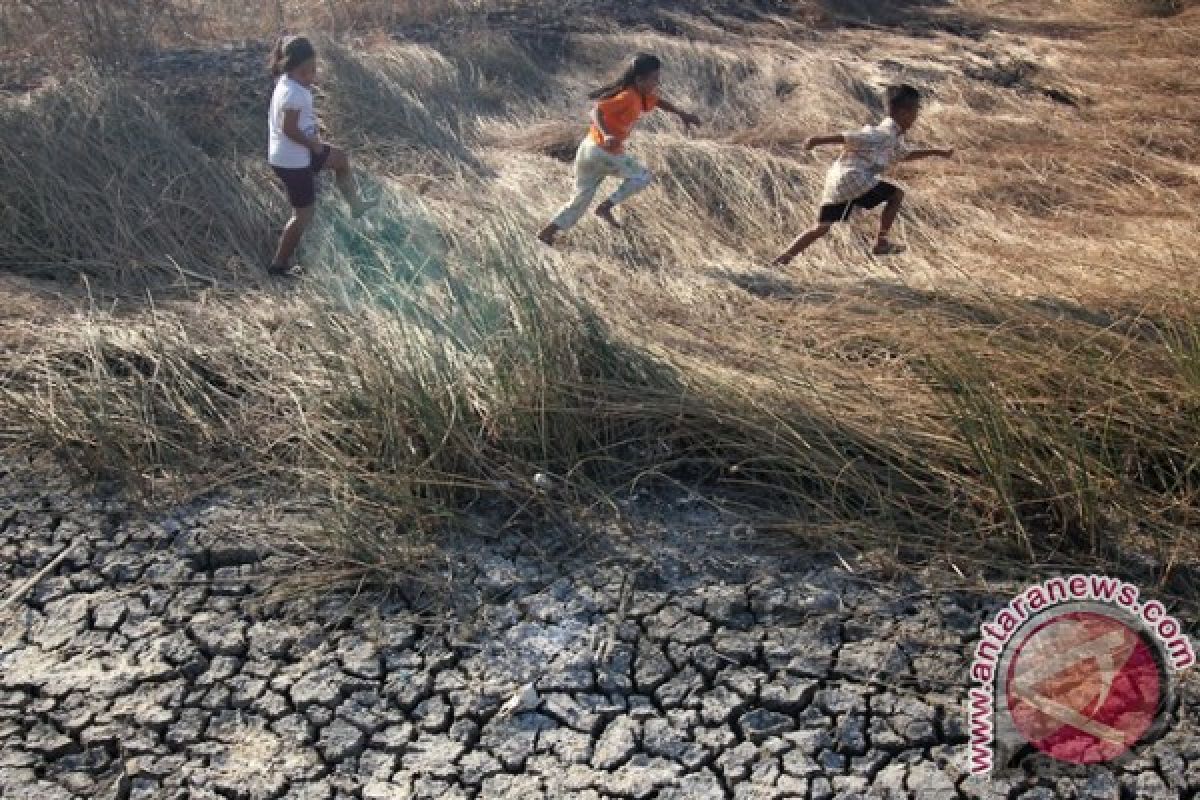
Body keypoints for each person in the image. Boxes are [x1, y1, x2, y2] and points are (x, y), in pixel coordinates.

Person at [772, 84, 954, 265]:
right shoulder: (884, 134)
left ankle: (781, 260)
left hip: (837, 182)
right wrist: (817, 140)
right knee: (896, 195)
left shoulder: (893, 137)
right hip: (853, 178)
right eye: (915, 112)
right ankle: (881, 242)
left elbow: (904, 155)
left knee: (820, 228)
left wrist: (937, 152)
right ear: (903, 113)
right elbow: (853, 137)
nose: (915, 118)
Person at [537, 53, 701, 246]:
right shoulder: (628, 97)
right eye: (654, 79)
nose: (657, 82)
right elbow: (596, 111)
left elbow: (658, 102)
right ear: (639, 80)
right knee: (642, 177)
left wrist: (681, 113)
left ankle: (547, 234)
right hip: (603, 151)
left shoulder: (640, 95)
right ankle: (605, 207)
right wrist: (606, 134)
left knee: (579, 201)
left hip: (588, 149)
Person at [266, 35, 375, 277]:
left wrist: (313, 137)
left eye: (313, 70)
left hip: (296, 152)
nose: (310, 76)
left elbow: (296, 124)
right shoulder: (294, 93)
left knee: (340, 160)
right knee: (303, 215)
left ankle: (356, 206)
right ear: (290, 69)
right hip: (292, 160)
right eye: (304, 72)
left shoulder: (285, 82)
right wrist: (312, 144)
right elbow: (289, 129)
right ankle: (279, 263)